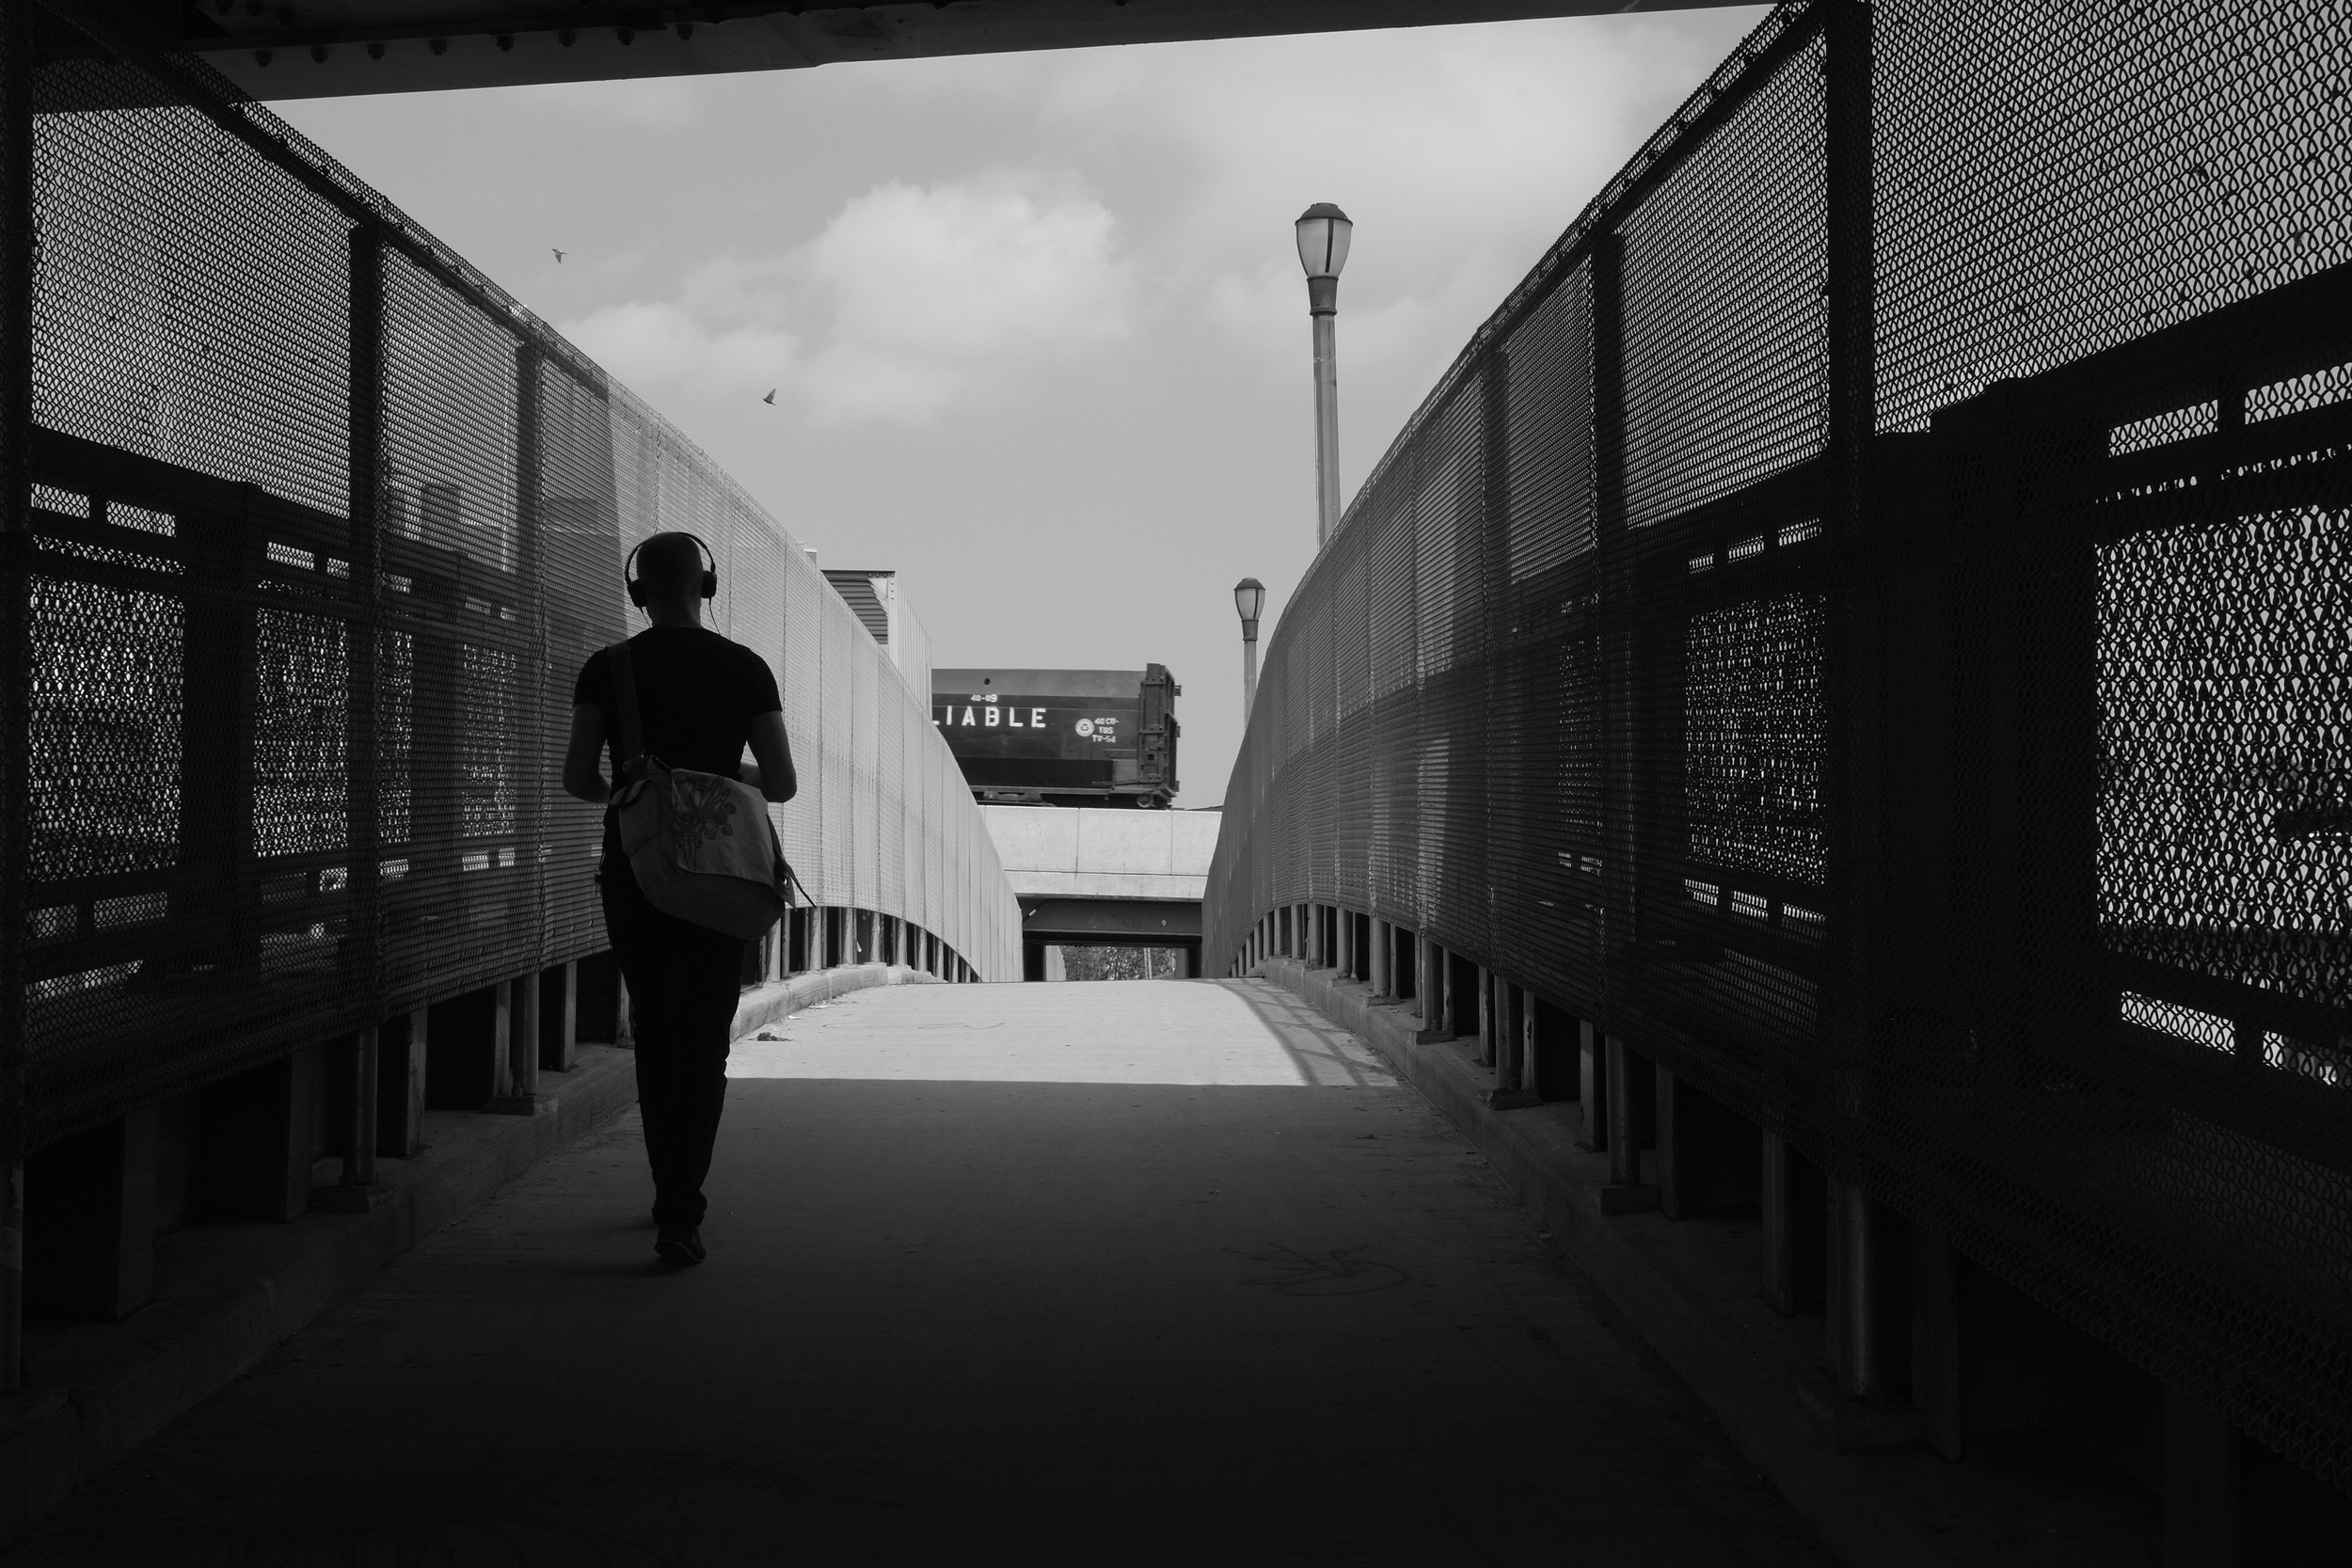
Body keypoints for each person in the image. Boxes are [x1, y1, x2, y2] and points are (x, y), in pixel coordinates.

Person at [561, 531, 797, 1267]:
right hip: (720, 868)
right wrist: (713, 781)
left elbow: (577, 777)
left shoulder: (609, 668)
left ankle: (669, 1194)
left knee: (656, 1029)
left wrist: (635, 798)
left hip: (638, 869)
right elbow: (781, 781)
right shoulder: (746, 667)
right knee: (703, 1036)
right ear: (707, 586)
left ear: (640, 592)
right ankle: (680, 1210)